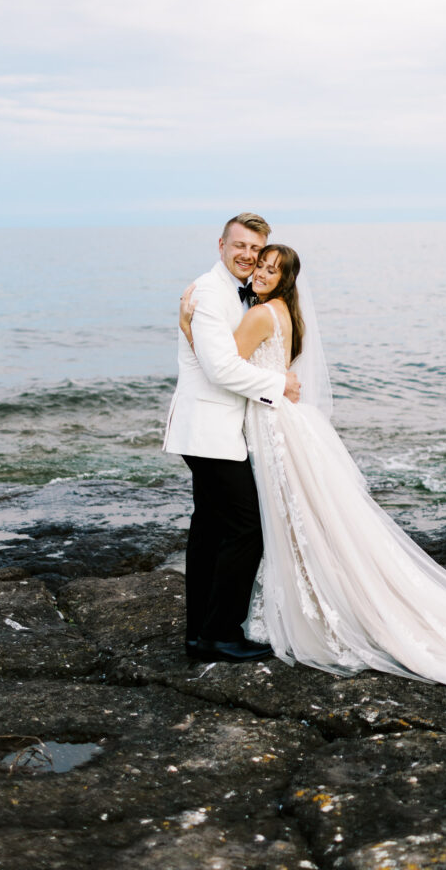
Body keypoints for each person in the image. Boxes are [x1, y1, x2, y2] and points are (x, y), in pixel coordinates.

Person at [179, 243, 446, 691]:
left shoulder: (261, 314)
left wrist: (188, 325)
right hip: (283, 419)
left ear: (285, 278)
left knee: (286, 520)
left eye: (271, 268)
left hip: (271, 424)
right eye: (260, 264)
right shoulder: (287, 314)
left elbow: (218, 366)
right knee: (300, 519)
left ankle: (297, 608)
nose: (261, 271)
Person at [163, 214, 300, 663]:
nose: (247, 256)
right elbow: (221, 369)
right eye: (239, 246)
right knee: (247, 528)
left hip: (216, 428)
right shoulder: (207, 292)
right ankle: (220, 634)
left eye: (256, 251)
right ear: (221, 244)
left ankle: (200, 633)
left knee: (209, 529)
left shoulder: (242, 294)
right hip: (208, 430)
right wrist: (279, 384)